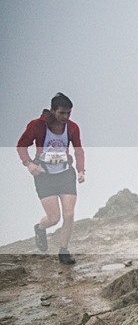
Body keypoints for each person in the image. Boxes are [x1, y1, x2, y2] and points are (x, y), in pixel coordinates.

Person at [17, 93, 86, 265]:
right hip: (44, 176)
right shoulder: (37, 125)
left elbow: (78, 150)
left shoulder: (72, 128)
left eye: (68, 113)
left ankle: (64, 251)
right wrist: (28, 164)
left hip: (65, 174)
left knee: (69, 214)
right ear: (53, 110)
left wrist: (81, 170)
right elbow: (21, 146)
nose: (65, 117)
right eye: (62, 113)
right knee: (54, 218)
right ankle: (40, 228)